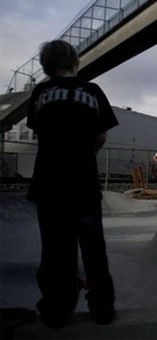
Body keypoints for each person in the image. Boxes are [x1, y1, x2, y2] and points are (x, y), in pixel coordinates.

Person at [26, 40, 118, 328]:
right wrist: (83, 154)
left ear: (46, 65)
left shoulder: (40, 92)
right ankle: (102, 307)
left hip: (48, 182)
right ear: (75, 61)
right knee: (93, 248)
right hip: (83, 181)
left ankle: (56, 309)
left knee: (55, 249)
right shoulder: (92, 90)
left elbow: (40, 130)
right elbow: (101, 136)